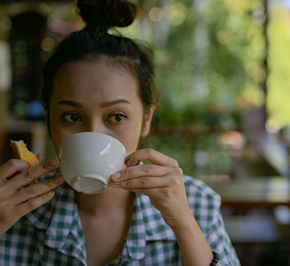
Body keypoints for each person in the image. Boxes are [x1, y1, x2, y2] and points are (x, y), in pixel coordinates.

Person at [0, 1, 240, 265]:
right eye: (72, 116)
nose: (94, 133)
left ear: (146, 118)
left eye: (116, 117)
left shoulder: (195, 204)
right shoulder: (14, 209)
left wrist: (184, 224)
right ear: (49, 117)